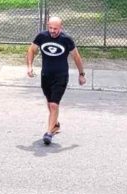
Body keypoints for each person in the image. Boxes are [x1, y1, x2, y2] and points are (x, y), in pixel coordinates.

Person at [26, 16, 86, 145]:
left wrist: (81, 74)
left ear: (61, 27)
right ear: (48, 26)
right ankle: (55, 124)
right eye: (51, 28)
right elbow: (31, 50)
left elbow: (76, 56)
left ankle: (48, 133)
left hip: (61, 76)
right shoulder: (42, 36)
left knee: (54, 104)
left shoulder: (66, 39)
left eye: (56, 29)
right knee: (49, 103)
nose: (53, 31)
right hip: (46, 75)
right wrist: (30, 66)